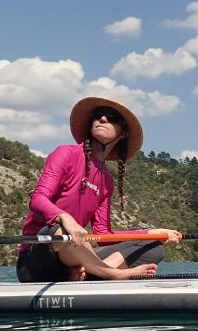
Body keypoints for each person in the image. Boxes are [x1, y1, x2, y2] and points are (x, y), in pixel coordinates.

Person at [16, 96, 182, 282]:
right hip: (39, 257)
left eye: (112, 117)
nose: (103, 119)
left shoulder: (106, 180)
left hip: (74, 256)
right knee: (61, 230)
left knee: (153, 247)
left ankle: (84, 273)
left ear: (124, 133)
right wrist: (65, 217)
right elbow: (38, 199)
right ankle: (113, 274)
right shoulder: (66, 153)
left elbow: (102, 235)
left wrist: (149, 233)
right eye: (98, 115)